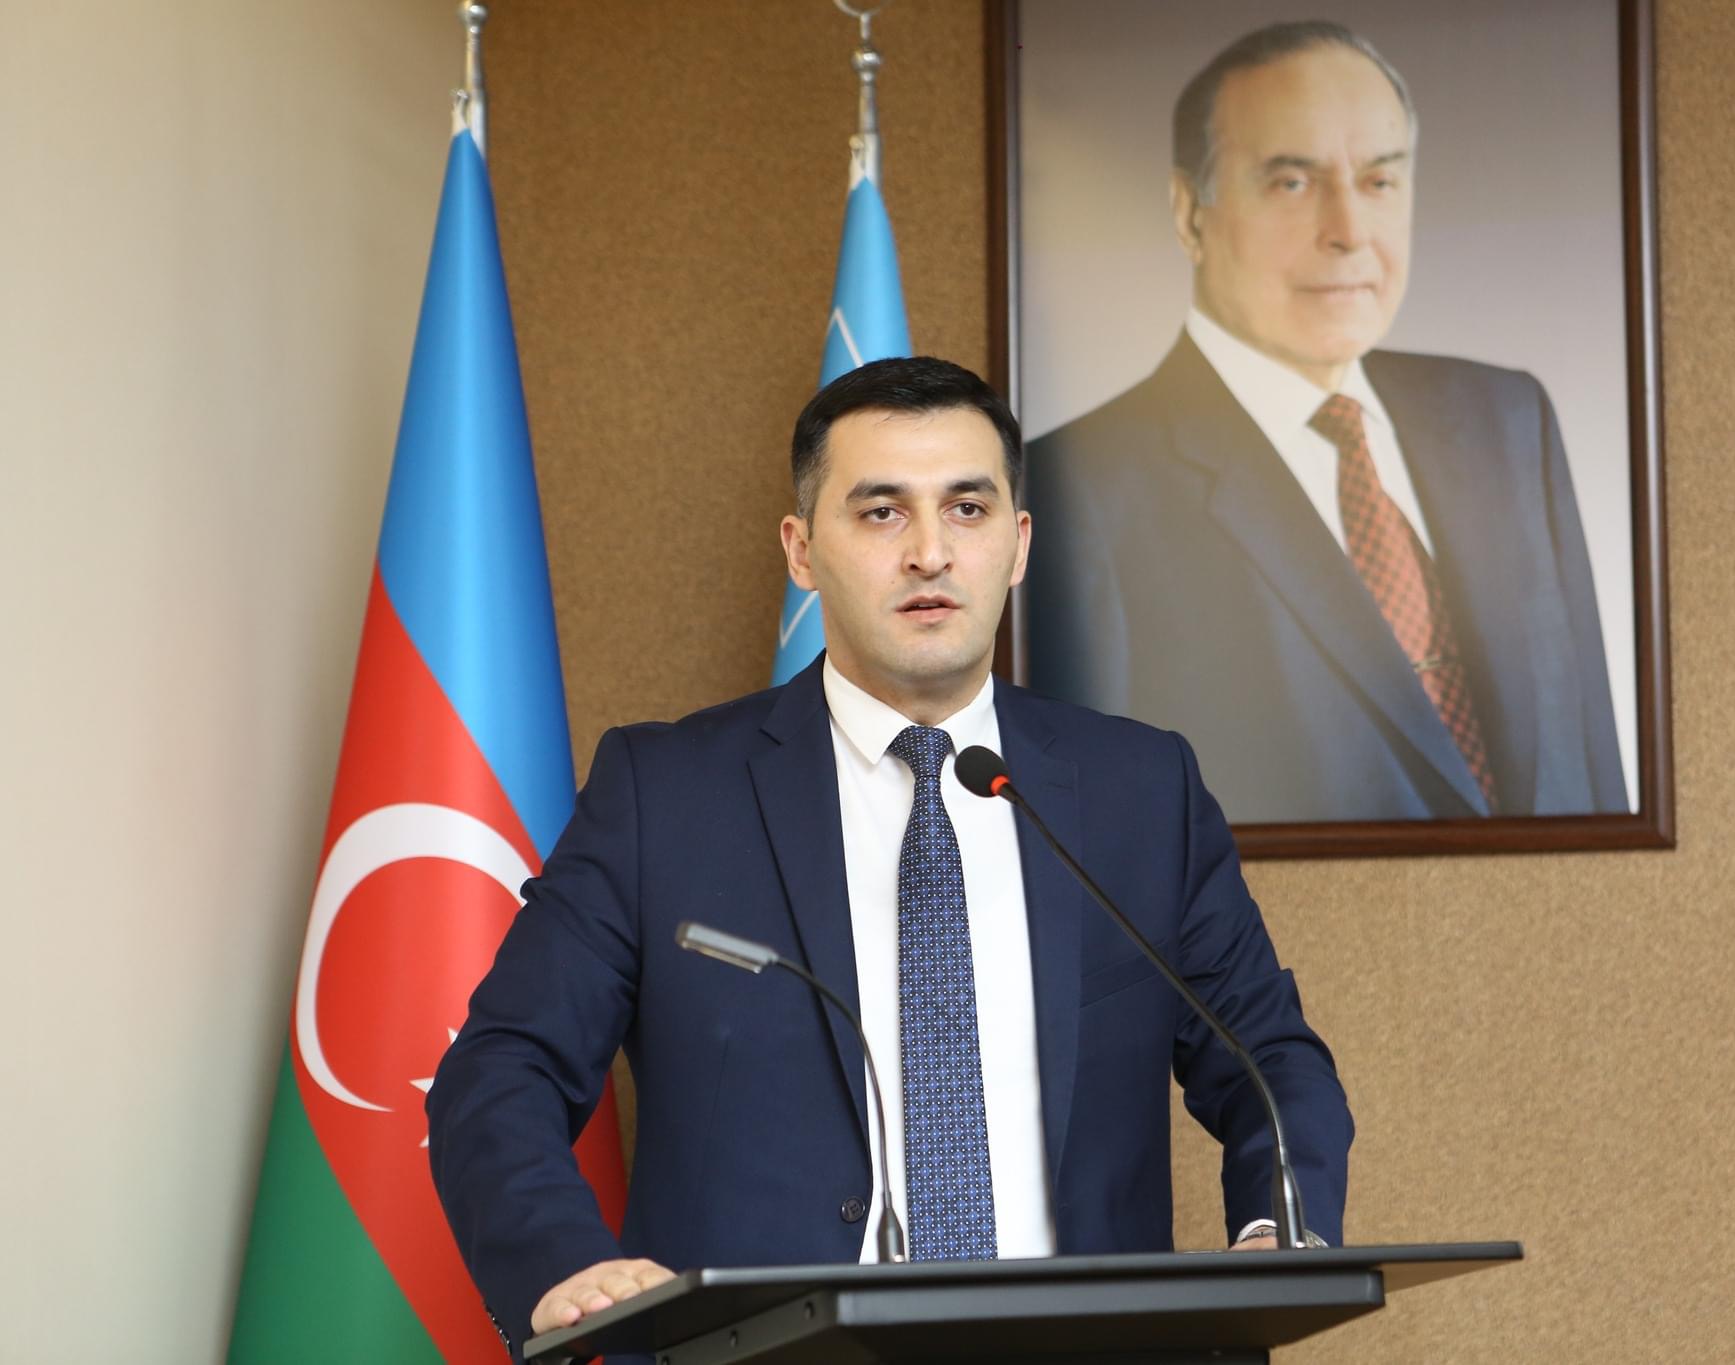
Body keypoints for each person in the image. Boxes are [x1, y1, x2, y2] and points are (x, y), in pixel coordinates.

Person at [426, 357, 1353, 1354]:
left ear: (1017, 544)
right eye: (880, 512)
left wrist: (1279, 1232)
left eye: (967, 509)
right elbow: (503, 1066)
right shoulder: (665, 794)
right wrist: (564, 1263)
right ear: (801, 551)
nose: (929, 553)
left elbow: (1268, 1059)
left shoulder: (1141, 790)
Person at [1026, 20, 1628, 824]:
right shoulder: (1077, 492)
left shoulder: (1508, 420)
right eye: (1292, 183)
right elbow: (1100, 841)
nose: (1348, 230)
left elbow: (1594, 768)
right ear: (1189, 212)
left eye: (1379, 181)